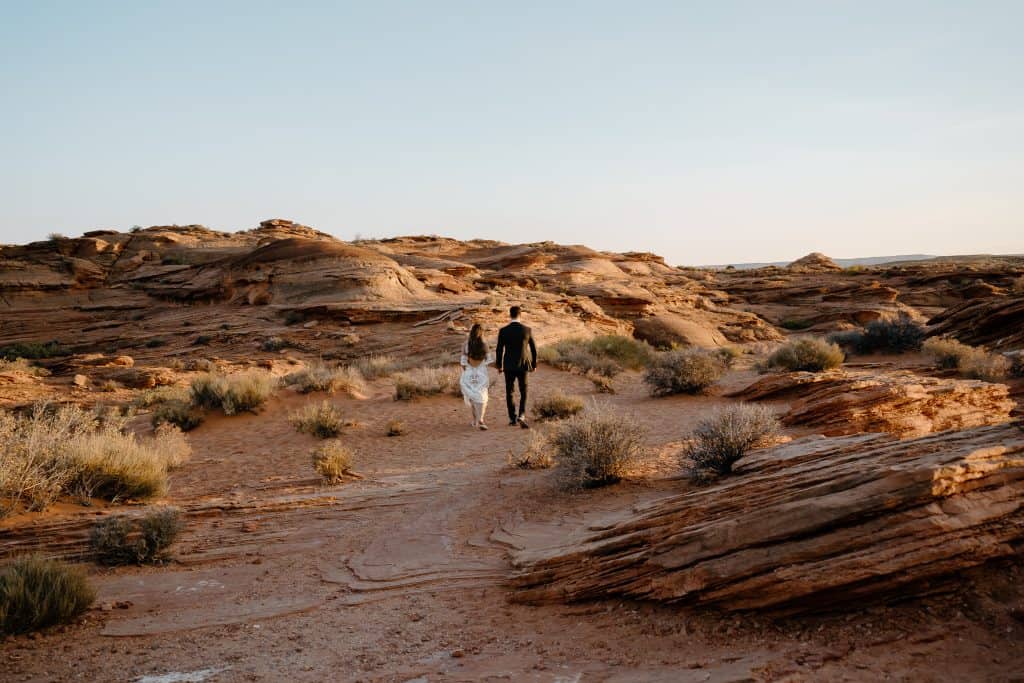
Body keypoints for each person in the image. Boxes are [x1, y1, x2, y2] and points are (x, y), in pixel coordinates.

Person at [495, 305, 537, 429]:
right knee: (524, 391)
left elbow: (499, 349)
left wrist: (499, 365)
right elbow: (534, 350)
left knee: (510, 392)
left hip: (508, 365)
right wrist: (534, 364)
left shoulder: (503, 331)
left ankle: (513, 419)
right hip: (523, 365)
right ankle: (522, 415)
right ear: (520, 315)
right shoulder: (527, 330)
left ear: (510, 315)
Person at [460, 323, 493, 430]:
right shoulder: (485, 344)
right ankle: (481, 419)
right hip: (481, 373)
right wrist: (499, 368)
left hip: (469, 372)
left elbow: (463, 362)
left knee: (473, 397)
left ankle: (475, 420)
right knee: (483, 397)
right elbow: (489, 361)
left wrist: (467, 371)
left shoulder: (466, 344)